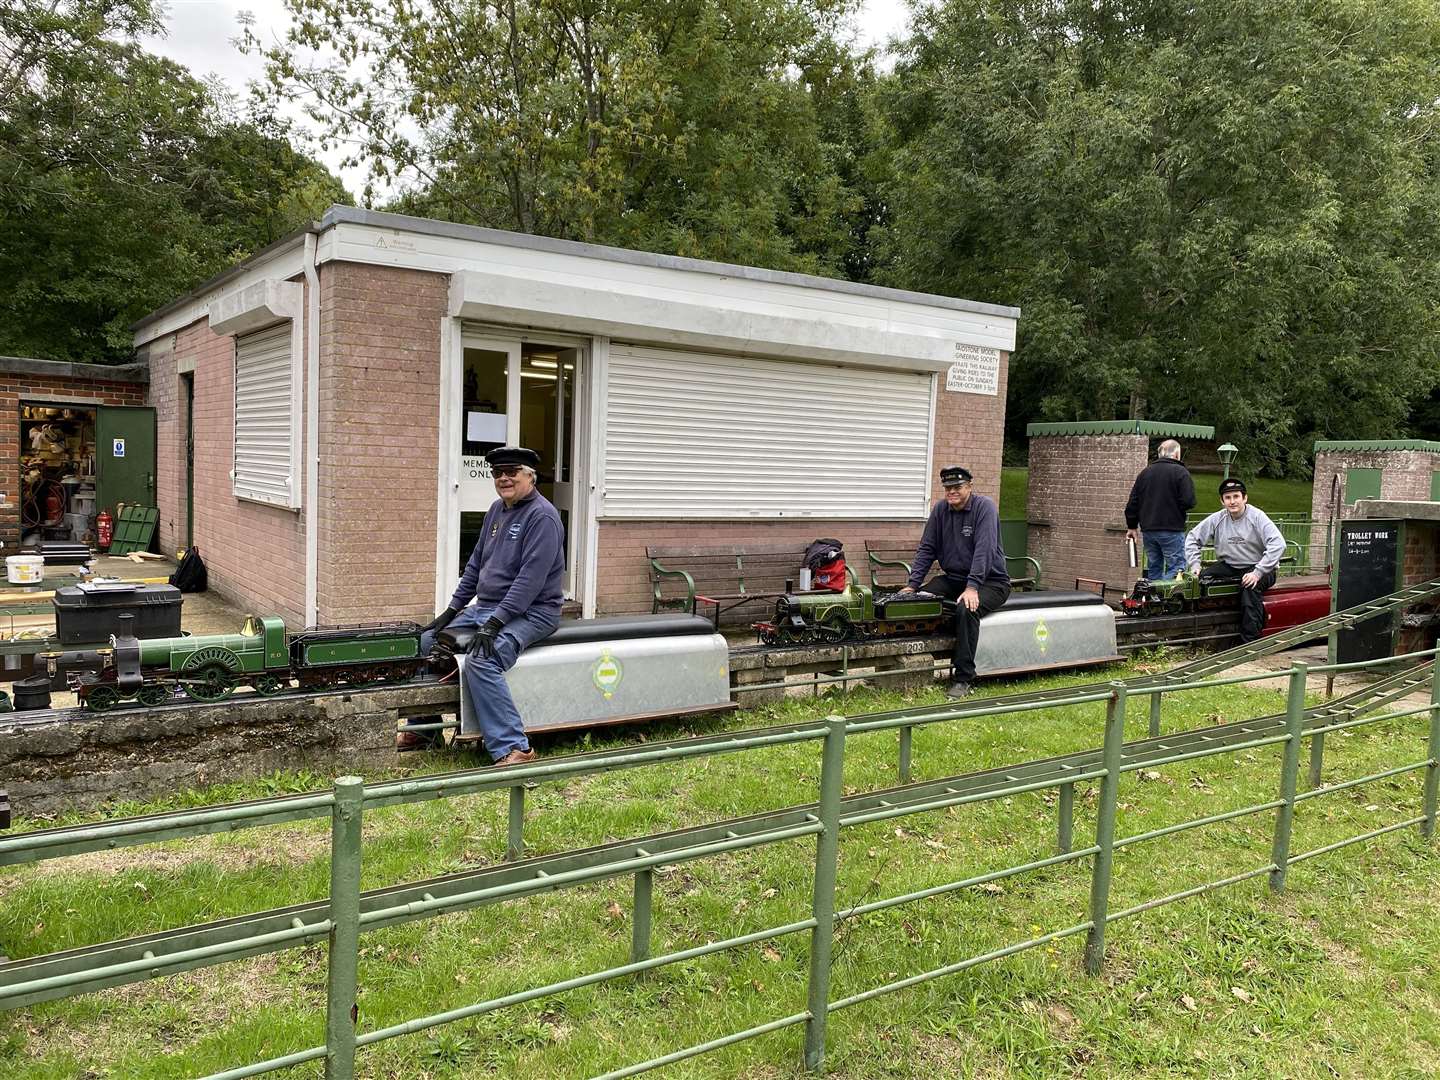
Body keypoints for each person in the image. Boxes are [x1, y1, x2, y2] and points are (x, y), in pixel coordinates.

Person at [402, 445, 565, 765]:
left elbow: (529, 583)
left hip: (534, 612)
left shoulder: (543, 517)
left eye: (511, 472)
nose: (503, 478)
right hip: (487, 607)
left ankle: (515, 748)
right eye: (497, 473)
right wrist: (451, 611)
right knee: (426, 643)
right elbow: (475, 566)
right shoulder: (496, 510)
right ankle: (425, 731)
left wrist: (494, 624)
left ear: (530, 477)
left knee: (481, 658)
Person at [896, 465, 1011, 699]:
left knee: (966, 609)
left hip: (991, 581)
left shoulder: (984, 508)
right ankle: (913, 661)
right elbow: (927, 548)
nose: (952, 492)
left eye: (957, 487)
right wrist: (913, 585)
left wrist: (972, 587)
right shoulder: (940, 510)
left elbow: (984, 550)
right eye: (948, 488)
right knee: (919, 601)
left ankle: (963, 678)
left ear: (969, 487)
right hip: (955, 579)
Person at [1184, 477, 1285, 643]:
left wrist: (1258, 572)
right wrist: (1195, 564)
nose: (1232, 502)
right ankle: (1203, 633)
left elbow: (1278, 544)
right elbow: (1193, 538)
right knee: (1201, 580)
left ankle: (1250, 642)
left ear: (1244, 498)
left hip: (1261, 568)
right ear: (1222, 501)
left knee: (1249, 589)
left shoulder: (1258, 517)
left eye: (1236, 496)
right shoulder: (1217, 519)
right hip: (1231, 565)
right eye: (1228, 498)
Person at [1124, 438, 1196, 582]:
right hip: (1172, 529)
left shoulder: (1144, 474)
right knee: (1176, 570)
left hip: (1149, 531)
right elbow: (1189, 501)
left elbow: (1132, 503)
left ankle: (1152, 599)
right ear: (1176, 455)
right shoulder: (1181, 472)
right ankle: (1166, 601)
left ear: (1160, 454)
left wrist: (1132, 526)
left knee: (1154, 567)